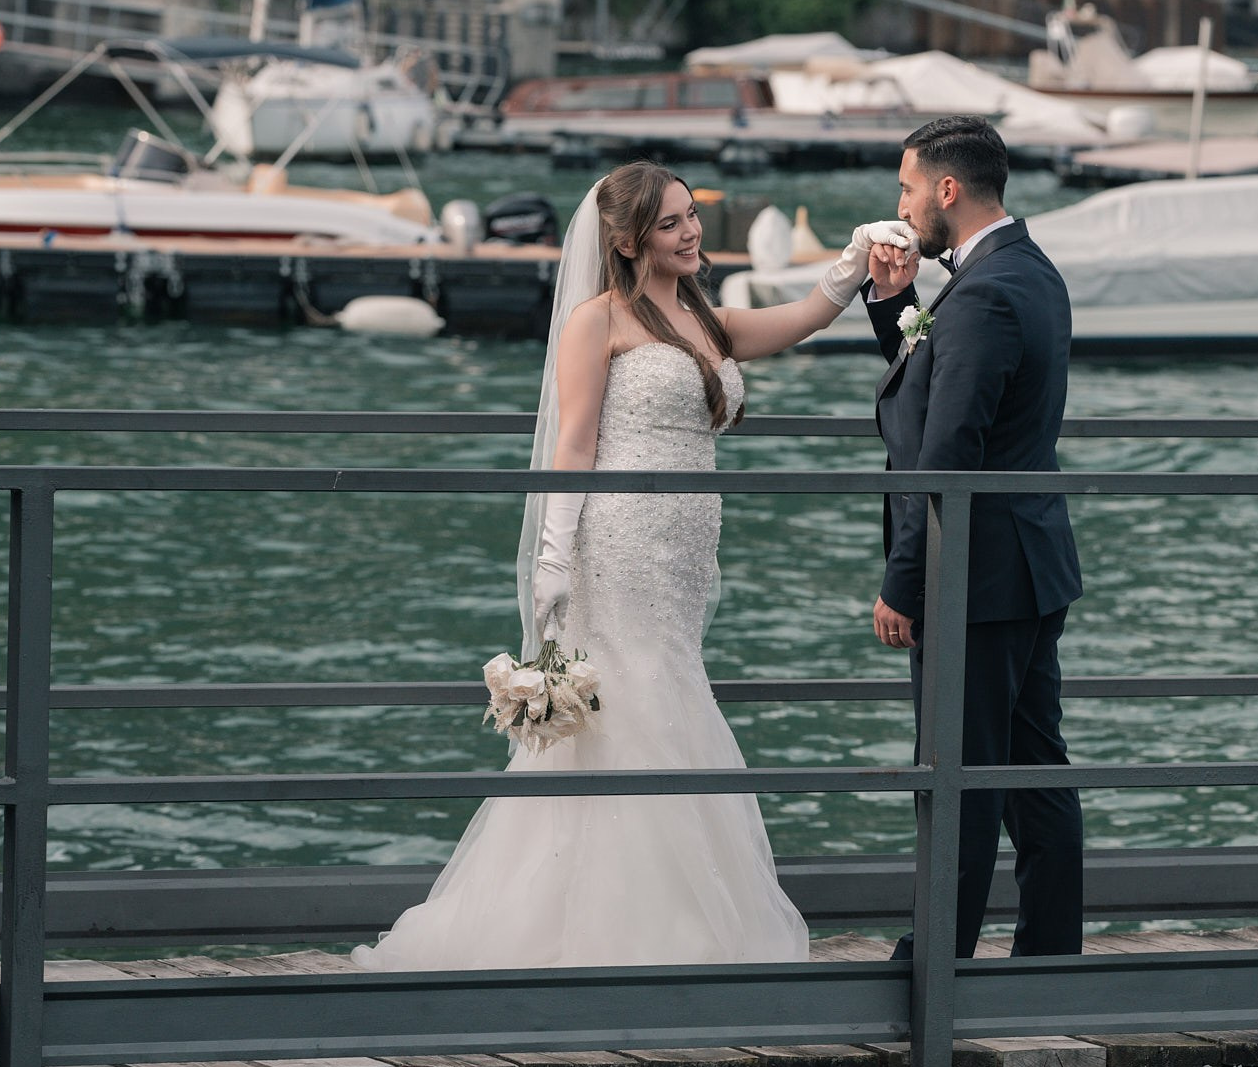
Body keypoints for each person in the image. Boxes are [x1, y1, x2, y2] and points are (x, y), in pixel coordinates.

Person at [355, 161, 912, 971]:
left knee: (664, 696)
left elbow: (797, 322)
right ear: (626, 240)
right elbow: (572, 443)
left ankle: (671, 922)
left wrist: (855, 256)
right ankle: (623, 933)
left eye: (692, 216)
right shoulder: (597, 320)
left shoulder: (698, 316)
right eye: (671, 224)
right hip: (616, 548)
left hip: (682, 558)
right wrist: (551, 558)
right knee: (634, 707)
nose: (691, 232)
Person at [863, 115, 1085, 961]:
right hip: (1029, 562)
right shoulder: (1026, 268)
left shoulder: (986, 291)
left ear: (947, 190)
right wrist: (896, 310)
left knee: (957, 773)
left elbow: (947, 452)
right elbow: (943, 390)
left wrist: (905, 581)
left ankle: (935, 966)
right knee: (1032, 769)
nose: (903, 204)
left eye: (908, 187)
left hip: (977, 575)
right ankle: (1049, 957)